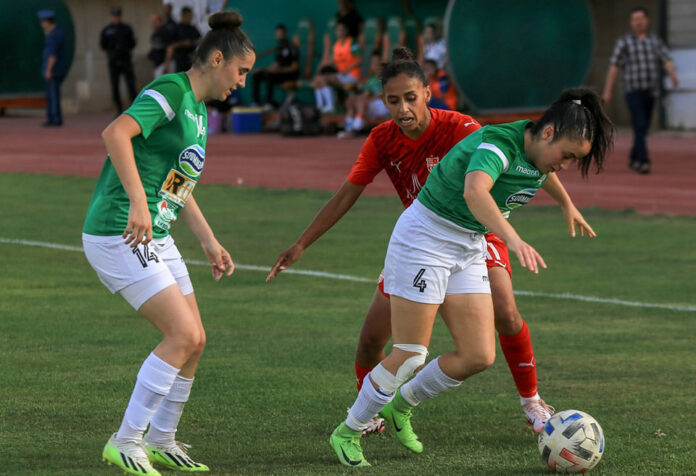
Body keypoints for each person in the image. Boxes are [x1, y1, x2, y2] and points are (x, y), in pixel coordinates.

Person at [268, 47, 606, 447]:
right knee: (380, 341)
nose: (403, 107)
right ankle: (360, 421)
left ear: (428, 93)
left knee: (497, 325)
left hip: (475, 234)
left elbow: (532, 162)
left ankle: (528, 402)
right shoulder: (384, 140)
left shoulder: (465, 128)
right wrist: (302, 243)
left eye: (410, 97)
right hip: (427, 235)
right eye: (393, 100)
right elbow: (350, 195)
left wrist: (566, 203)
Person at [330, 86, 613, 467]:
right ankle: (348, 431)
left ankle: (400, 407)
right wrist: (513, 239)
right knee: (411, 354)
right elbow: (475, 191)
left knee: (478, 354)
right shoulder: (499, 143)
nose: (563, 165)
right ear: (547, 133)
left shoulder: (539, 154)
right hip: (426, 239)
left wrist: (567, 203)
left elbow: (540, 171)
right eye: (566, 156)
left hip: (467, 244)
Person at [82, 11, 255, 475]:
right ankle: (126, 440)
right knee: (182, 335)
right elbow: (115, 132)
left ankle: (161, 438)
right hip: (118, 230)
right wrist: (138, 202)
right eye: (240, 71)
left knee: (195, 340)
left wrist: (209, 241)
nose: (241, 83)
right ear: (217, 59)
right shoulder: (171, 92)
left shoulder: (197, 111)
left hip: (155, 233)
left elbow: (180, 184)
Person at [602, 6, 678, 175]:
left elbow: (666, 59)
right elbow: (614, 66)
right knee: (640, 124)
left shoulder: (654, 41)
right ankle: (643, 161)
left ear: (646, 20)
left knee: (642, 128)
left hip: (651, 92)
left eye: (640, 19)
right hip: (633, 91)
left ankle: (633, 157)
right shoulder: (624, 43)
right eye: (634, 20)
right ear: (631, 22)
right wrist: (608, 90)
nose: (638, 22)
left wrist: (672, 74)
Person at [313, 20, 362, 113]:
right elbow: (333, 60)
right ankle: (320, 106)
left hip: (352, 75)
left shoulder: (352, 42)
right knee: (317, 80)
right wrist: (321, 69)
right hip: (341, 75)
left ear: (346, 31)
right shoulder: (337, 44)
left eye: (342, 29)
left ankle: (330, 106)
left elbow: (360, 60)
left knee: (324, 80)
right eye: (338, 30)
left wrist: (348, 69)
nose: (340, 32)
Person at [338, 50, 389, 138]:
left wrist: (368, 99)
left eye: (377, 63)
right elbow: (365, 93)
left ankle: (355, 129)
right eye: (373, 63)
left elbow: (385, 94)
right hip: (370, 105)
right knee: (351, 100)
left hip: (383, 105)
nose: (375, 65)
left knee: (361, 100)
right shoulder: (371, 79)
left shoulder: (386, 78)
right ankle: (349, 128)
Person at [251, 24, 299, 109]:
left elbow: (294, 68)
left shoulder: (292, 47)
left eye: (281, 33)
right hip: (278, 74)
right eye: (277, 33)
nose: (279, 35)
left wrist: (279, 70)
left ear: (285, 33)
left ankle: (269, 102)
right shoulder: (279, 48)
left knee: (270, 75)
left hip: (289, 75)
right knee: (256, 74)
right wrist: (261, 69)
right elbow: (275, 65)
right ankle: (256, 102)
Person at [100, 6, 138, 114]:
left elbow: (132, 43)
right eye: (114, 16)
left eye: (117, 16)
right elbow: (103, 45)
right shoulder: (107, 30)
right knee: (115, 86)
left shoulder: (126, 29)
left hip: (126, 60)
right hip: (113, 62)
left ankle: (134, 108)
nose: (116, 18)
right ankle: (119, 109)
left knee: (131, 85)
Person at [38, 10, 66, 127]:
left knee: (53, 95)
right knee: (51, 95)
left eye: (43, 21)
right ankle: (52, 117)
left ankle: (55, 118)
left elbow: (52, 56)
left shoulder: (54, 35)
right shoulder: (55, 33)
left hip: (53, 71)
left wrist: (48, 70)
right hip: (55, 69)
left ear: (47, 22)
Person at [166, 6, 202, 73]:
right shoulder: (176, 29)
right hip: (180, 61)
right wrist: (183, 43)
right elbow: (170, 45)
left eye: (191, 16)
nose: (190, 18)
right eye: (188, 16)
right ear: (183, 16)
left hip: (192, 60)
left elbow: (200, 40)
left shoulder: (193, 29)